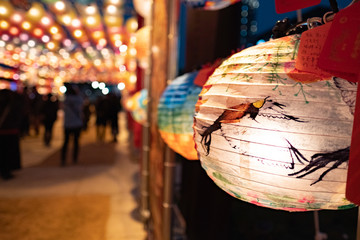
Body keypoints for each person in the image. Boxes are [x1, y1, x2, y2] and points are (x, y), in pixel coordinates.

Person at [0, 88, 23, 180]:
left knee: (2, 152)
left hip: (3, 131)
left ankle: (3, 170)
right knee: (8, 152)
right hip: (11, 131)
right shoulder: (13, 105)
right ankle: (7, 171)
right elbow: (19, 117)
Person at [61, 84, 83, 166]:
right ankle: (75, 158)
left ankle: (63, 159)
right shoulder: (78, 99)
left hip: (67, 124)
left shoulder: (66, 100)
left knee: (66, 142)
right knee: (76, 142)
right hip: (77, 123)